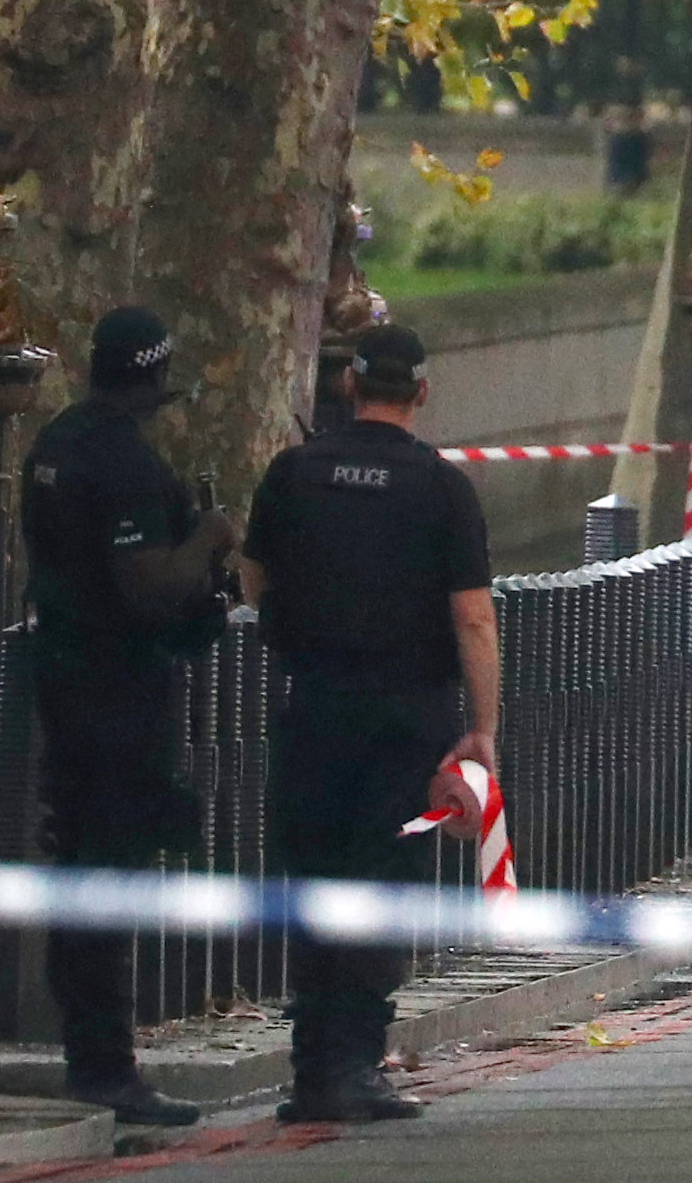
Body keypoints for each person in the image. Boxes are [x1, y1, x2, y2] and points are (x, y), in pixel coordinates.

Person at [240, 323, 497, 1123]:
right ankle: (355, 1063)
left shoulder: (292, 473)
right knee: (382, 883)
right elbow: (473, 619)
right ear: (421, 391)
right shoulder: (441, 487)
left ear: (348, 385)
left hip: (312, 705)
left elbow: (253, 582)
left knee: (315, 878)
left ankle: (312, 1066)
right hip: (405, 718)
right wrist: (481, 729)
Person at [21, 307, 236, 1126]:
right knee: (109, 874)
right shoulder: (126, 465)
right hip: (118, 695)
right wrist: (209, 536)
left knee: (80, 865)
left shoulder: (56, 445)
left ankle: (92, 1053)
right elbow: (147, 586)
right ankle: (107, 1066)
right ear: (153, 377)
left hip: (65, 684)